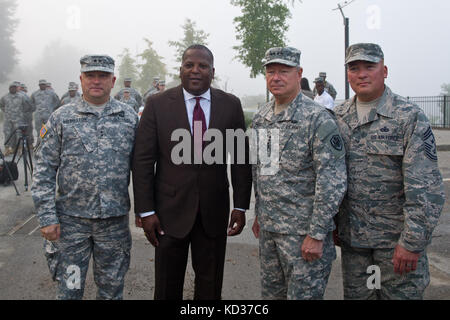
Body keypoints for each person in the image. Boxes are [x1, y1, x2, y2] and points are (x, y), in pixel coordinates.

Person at [132, 44, 252, 300]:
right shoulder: (157, 104)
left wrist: (241, 207)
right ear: (180, 70)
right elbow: (143, 160)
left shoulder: (230, 105)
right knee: (166, 286)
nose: (196, 71)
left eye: (203, 66)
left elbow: (240, 159)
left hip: (213, 212)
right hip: (167, 214)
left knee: (210, 288)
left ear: (212, 71)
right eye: (189, 65)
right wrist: (146, 210)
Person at [333, 43, 445, 300]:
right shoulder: (337, 117)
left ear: (384, 71)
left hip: (395, 245)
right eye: (354, 68)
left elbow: (425, 187)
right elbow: (331, 176)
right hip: (354, 244)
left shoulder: (408, 117)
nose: (361, 74)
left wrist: (412, 242)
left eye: (369, 67)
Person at [31, 54, 139, 300]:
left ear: (113, 80)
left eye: (103, 76)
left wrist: (146, 210)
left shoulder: (128, 118)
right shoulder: (61, 118)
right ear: (81, 79)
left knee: (111, 291)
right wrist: (47, 217)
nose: (96, 81)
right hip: (71, 226)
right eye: (91, 75)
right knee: (70, 290)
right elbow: (44, 170)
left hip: (114, 224)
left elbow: (143, 170)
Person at [251, 47, 347, 300]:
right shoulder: (262, 118)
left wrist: (316, 234)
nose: (276, 77)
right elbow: (262, 171)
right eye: (271, 71)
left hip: (303, 237)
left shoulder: (318, 118)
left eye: (284, 71)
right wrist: (260, 214)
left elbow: (332, 181)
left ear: (299, 73)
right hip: (271, 232)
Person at [0, 82, 34, 155]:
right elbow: (2, 105)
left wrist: (21, 112)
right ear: (9, 88)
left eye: (14, 87)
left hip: (18, 119)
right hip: (8, 119)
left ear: (16, 88)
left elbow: (27, 106)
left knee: (19, 134)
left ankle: (20, 148)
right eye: (11, 87)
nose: (13, 89)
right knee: (7, 134)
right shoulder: (4, 97)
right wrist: (7, 112)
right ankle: (7, 148)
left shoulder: (22, 97)